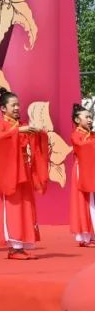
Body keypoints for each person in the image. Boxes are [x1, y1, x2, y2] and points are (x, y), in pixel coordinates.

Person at [0, 87, 46, 260]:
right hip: (10, 172)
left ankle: (21, 245)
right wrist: (19, 131)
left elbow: (30, 140)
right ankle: (14, 248)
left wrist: (38, 132)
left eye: (18, 105)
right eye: (13, 105)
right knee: (13, 207)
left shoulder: (20, 125)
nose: (16, 108)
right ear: (3, 108)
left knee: (25, 206)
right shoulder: (1, 125)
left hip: (23, 170)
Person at [69, 103, 95, 247]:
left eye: (91, 117)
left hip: (91, 170)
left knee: (91, 201)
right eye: (87, 117)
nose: (90, 120)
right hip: (81, 171)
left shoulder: (90, 135)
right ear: (77, 120)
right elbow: (83, 146)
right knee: (84, 202)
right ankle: (85, 237)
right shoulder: (76, 135)